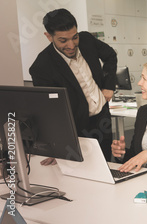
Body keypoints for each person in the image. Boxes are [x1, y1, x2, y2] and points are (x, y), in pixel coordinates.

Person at [30, 8, 117, 163]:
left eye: (74, 37)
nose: (71, 45)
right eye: (63, 40)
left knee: (105, 166)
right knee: (80, 172)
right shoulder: (41, 67)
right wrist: (57, 146)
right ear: (49, 36)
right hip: (77, 128)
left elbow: (110, 55)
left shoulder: (86, 40)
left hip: (103, 119)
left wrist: (109, 86)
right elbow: (52, 110)